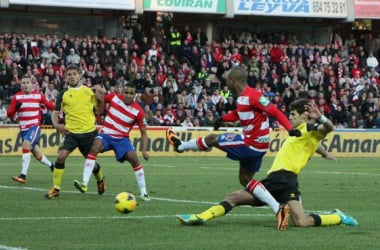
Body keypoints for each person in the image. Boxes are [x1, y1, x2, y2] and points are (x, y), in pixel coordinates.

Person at [175, 99, 358, 230]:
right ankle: (200, 218)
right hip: (274, 180)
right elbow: (313, 146)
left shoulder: (310, 129)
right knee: (234, 197)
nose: (290, 118)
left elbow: (328, 129)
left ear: (305, 115)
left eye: (293, 115)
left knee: (301, 222)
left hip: (287, 180)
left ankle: (337, 216)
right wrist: (325, 154)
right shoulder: (299, 133)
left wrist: (321, 118)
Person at [167, 65, 301, 229]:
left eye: (227, 80)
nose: (226, 83)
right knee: (245, 179)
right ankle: (278, 210)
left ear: (232, 80)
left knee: (212, 139)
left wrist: (289, 128)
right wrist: (222, 119)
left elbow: (274, 111)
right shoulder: (242, 98)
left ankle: (181, 146)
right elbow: (238, 114)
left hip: (251, 143)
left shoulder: (254, 95)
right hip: (257, 146)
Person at [73, 82, 151, 201]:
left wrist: (144, 150)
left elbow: (144, 133)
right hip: (106, 135)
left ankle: (144, 193)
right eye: (126, 92)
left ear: (135, 95)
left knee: (134, 159)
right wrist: (95, 88)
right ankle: (84, 184)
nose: (128, 95)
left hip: (122, 139)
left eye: (131, 93)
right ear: (122, 92)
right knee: (94, 148)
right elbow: (100, 96)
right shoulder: (114, 97)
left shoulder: (138, 111)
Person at [44, 64, 105, 199]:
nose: (72, 77)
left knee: (92, 165)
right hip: (70, 133)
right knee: (61, 156)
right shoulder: (63, 94)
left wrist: (101, 100)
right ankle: (56, 188)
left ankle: (100, 180)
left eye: (74, 74)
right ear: (66, 77)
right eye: (69, 74)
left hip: (89, 133)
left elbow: (99, 111)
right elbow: (55, 113)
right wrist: (57, 125)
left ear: (80, 75)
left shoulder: (89, 91)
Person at [7, 75, 55, 183]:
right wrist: (16, 108)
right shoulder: (17, 97)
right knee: (38, 155)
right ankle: (52, 166)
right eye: (23, 83)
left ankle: (23, 176)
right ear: (21, 85)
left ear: (32, 85)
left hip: (34, 127)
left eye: (27, 82)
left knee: (26, 145)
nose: (25, 85)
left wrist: (61, 108)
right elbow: (9, 113)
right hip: (23, 129)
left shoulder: (38, 96)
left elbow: (49, 105)